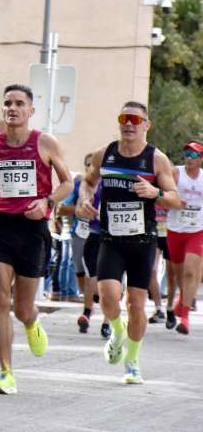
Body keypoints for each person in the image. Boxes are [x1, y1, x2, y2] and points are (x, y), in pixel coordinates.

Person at [0, 85, 73, 395]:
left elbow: (68, 182)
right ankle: (6, 372)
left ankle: (31, 322)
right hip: (0, 226)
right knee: (0, 298)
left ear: (30, 111)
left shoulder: (45, 142)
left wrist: (47, 202)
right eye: (7, 104)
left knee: (22, 308)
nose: (12, 108)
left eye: (19, 104)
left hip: (33, 229)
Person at [76, 101, 182, 384]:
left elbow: (175, 199)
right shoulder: (106, 153)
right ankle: (117, 331)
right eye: (124, 118)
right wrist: (85, 200)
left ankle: (132, 361)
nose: (129, 123)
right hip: (111, 239)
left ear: (146, 125)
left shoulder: (156, 159)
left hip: (142, 242)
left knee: (136, 304)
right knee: (109, 297)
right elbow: (87, 182)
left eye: (135, 119)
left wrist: (155, 191)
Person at [60, 152, 109, 337]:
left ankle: (103, 319)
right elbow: (62, 208)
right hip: (84, 234)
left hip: (108, 236)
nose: (91, 168)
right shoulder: (81, 185)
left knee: (106, 278)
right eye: (88, 165)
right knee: (85, 274)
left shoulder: (108, 184)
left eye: (94, 165)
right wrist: (81, 210)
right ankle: (89, 305)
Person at [164, 141, 202, 334]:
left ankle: (185, 317)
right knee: (178, 273)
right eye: (187, 153)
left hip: (197, 230)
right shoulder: (175, 173)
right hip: (175, 230)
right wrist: (173, 202)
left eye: (194, 155)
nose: (189, 157)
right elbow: (162, 196)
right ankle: (180, 301)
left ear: (201, 159)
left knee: (190, 271)